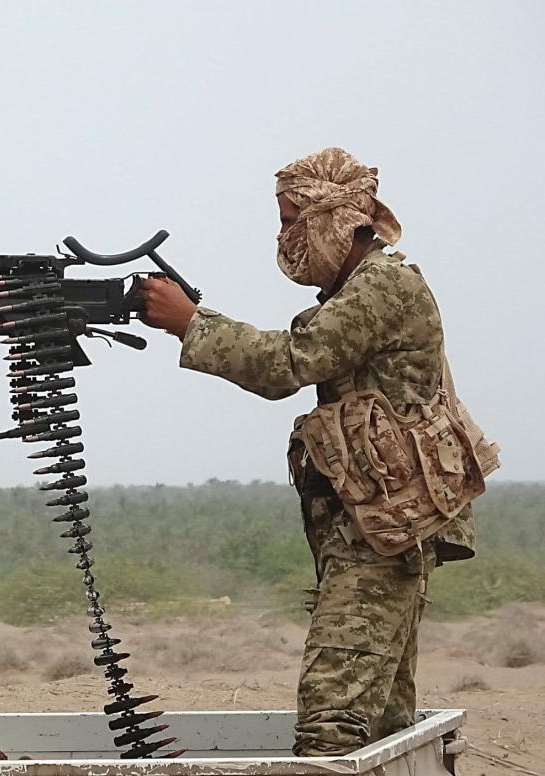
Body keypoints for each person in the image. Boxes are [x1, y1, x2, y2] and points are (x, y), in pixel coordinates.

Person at [140, 147, 498, 756]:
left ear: (335, 218)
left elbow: (290, 362)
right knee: (382, 724)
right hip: (373, 526)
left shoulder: (383, 287)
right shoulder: (356, 292)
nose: (286, 238)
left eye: (291, 220)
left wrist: (191, 323)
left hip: (383, 537)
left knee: (331, 724)